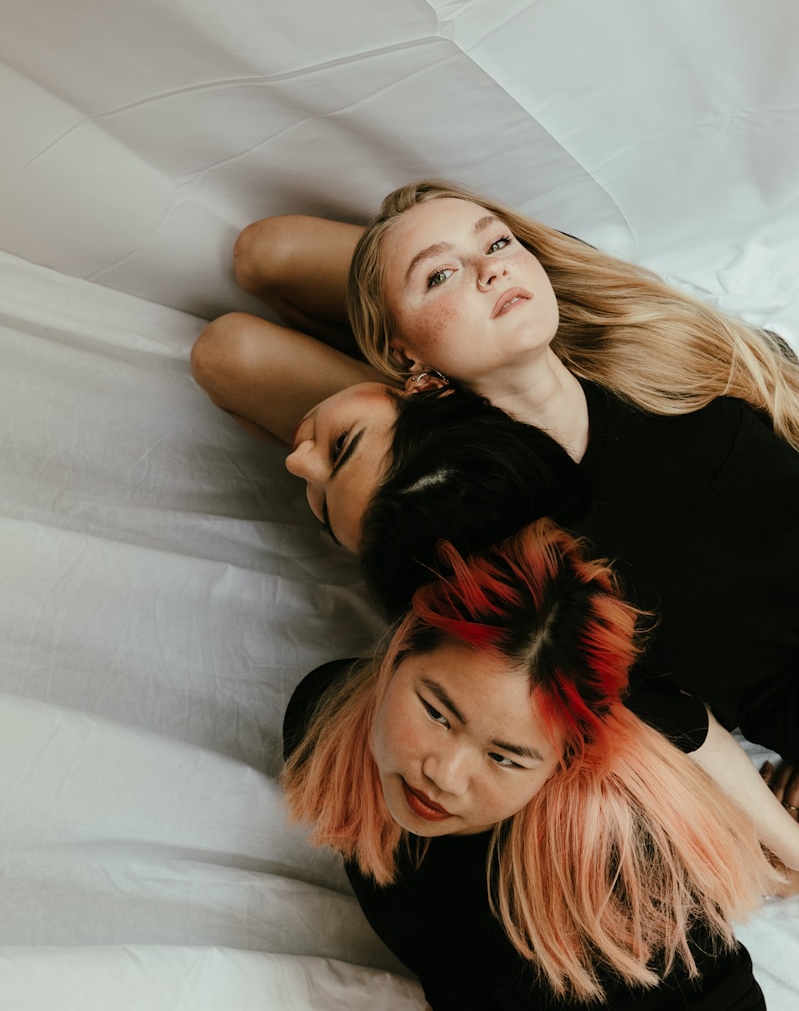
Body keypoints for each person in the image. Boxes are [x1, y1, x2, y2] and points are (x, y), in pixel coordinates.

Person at [190, 178, 799, 798]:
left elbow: (658, 718)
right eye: (446, 272)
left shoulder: (508, 537)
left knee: (241, 321)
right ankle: (417, 312)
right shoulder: (647, 348)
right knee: (265, 258)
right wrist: (447, 267)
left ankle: (419, 322)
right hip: (537, 381)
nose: (490, 268)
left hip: (462, 441)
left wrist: (436, 291)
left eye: (498, 244)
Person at [282, 521, 780, 1011]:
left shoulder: (611, 884)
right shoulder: (319, 724)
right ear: (401, 648)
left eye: (504, 757)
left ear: (563, 763)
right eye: (436, 713)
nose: (444, 775)